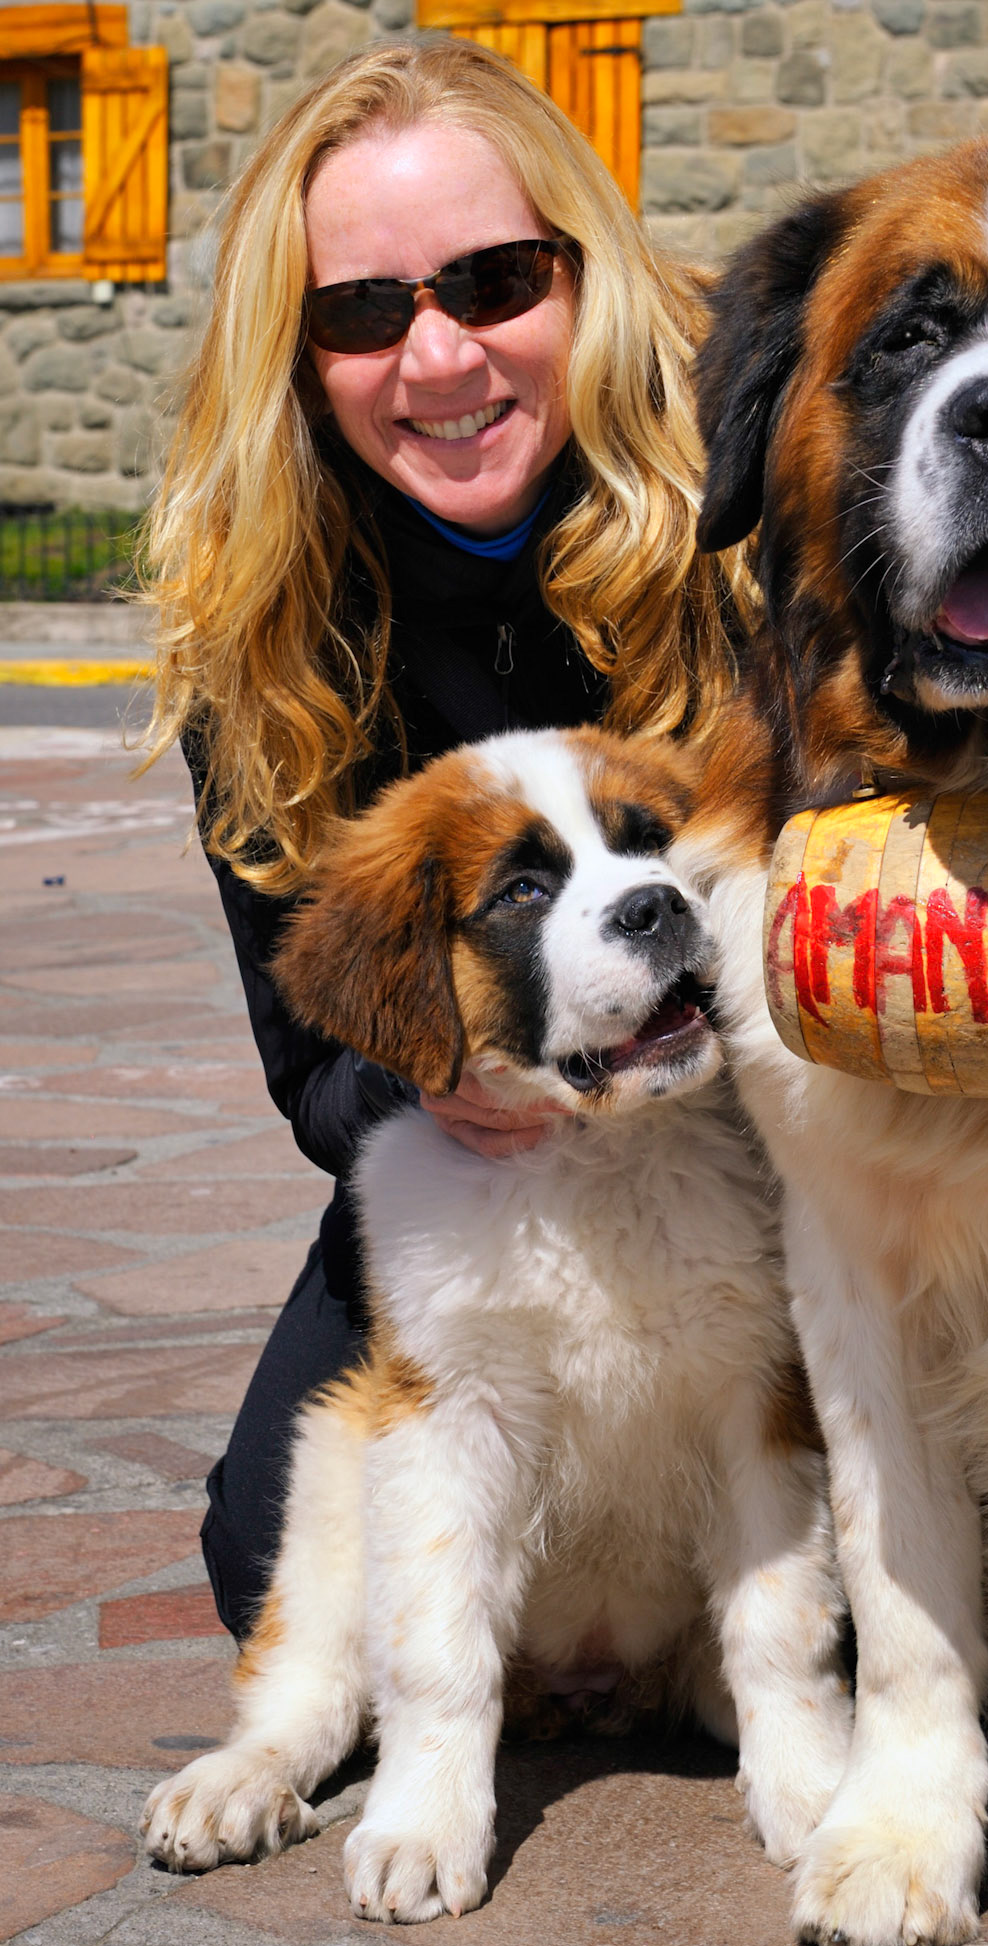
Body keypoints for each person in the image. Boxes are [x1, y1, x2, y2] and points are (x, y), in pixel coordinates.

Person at [142, 38, 751, 1639]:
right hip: (498, 1139)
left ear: (584, 279)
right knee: (274, 1558)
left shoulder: (746, 518)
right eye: (362, 309)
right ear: (298, 352)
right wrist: (450, 1068)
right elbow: (314, 1077)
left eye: (493, 281)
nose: (438, 355)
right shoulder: (264, 635)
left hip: (783, 1121)